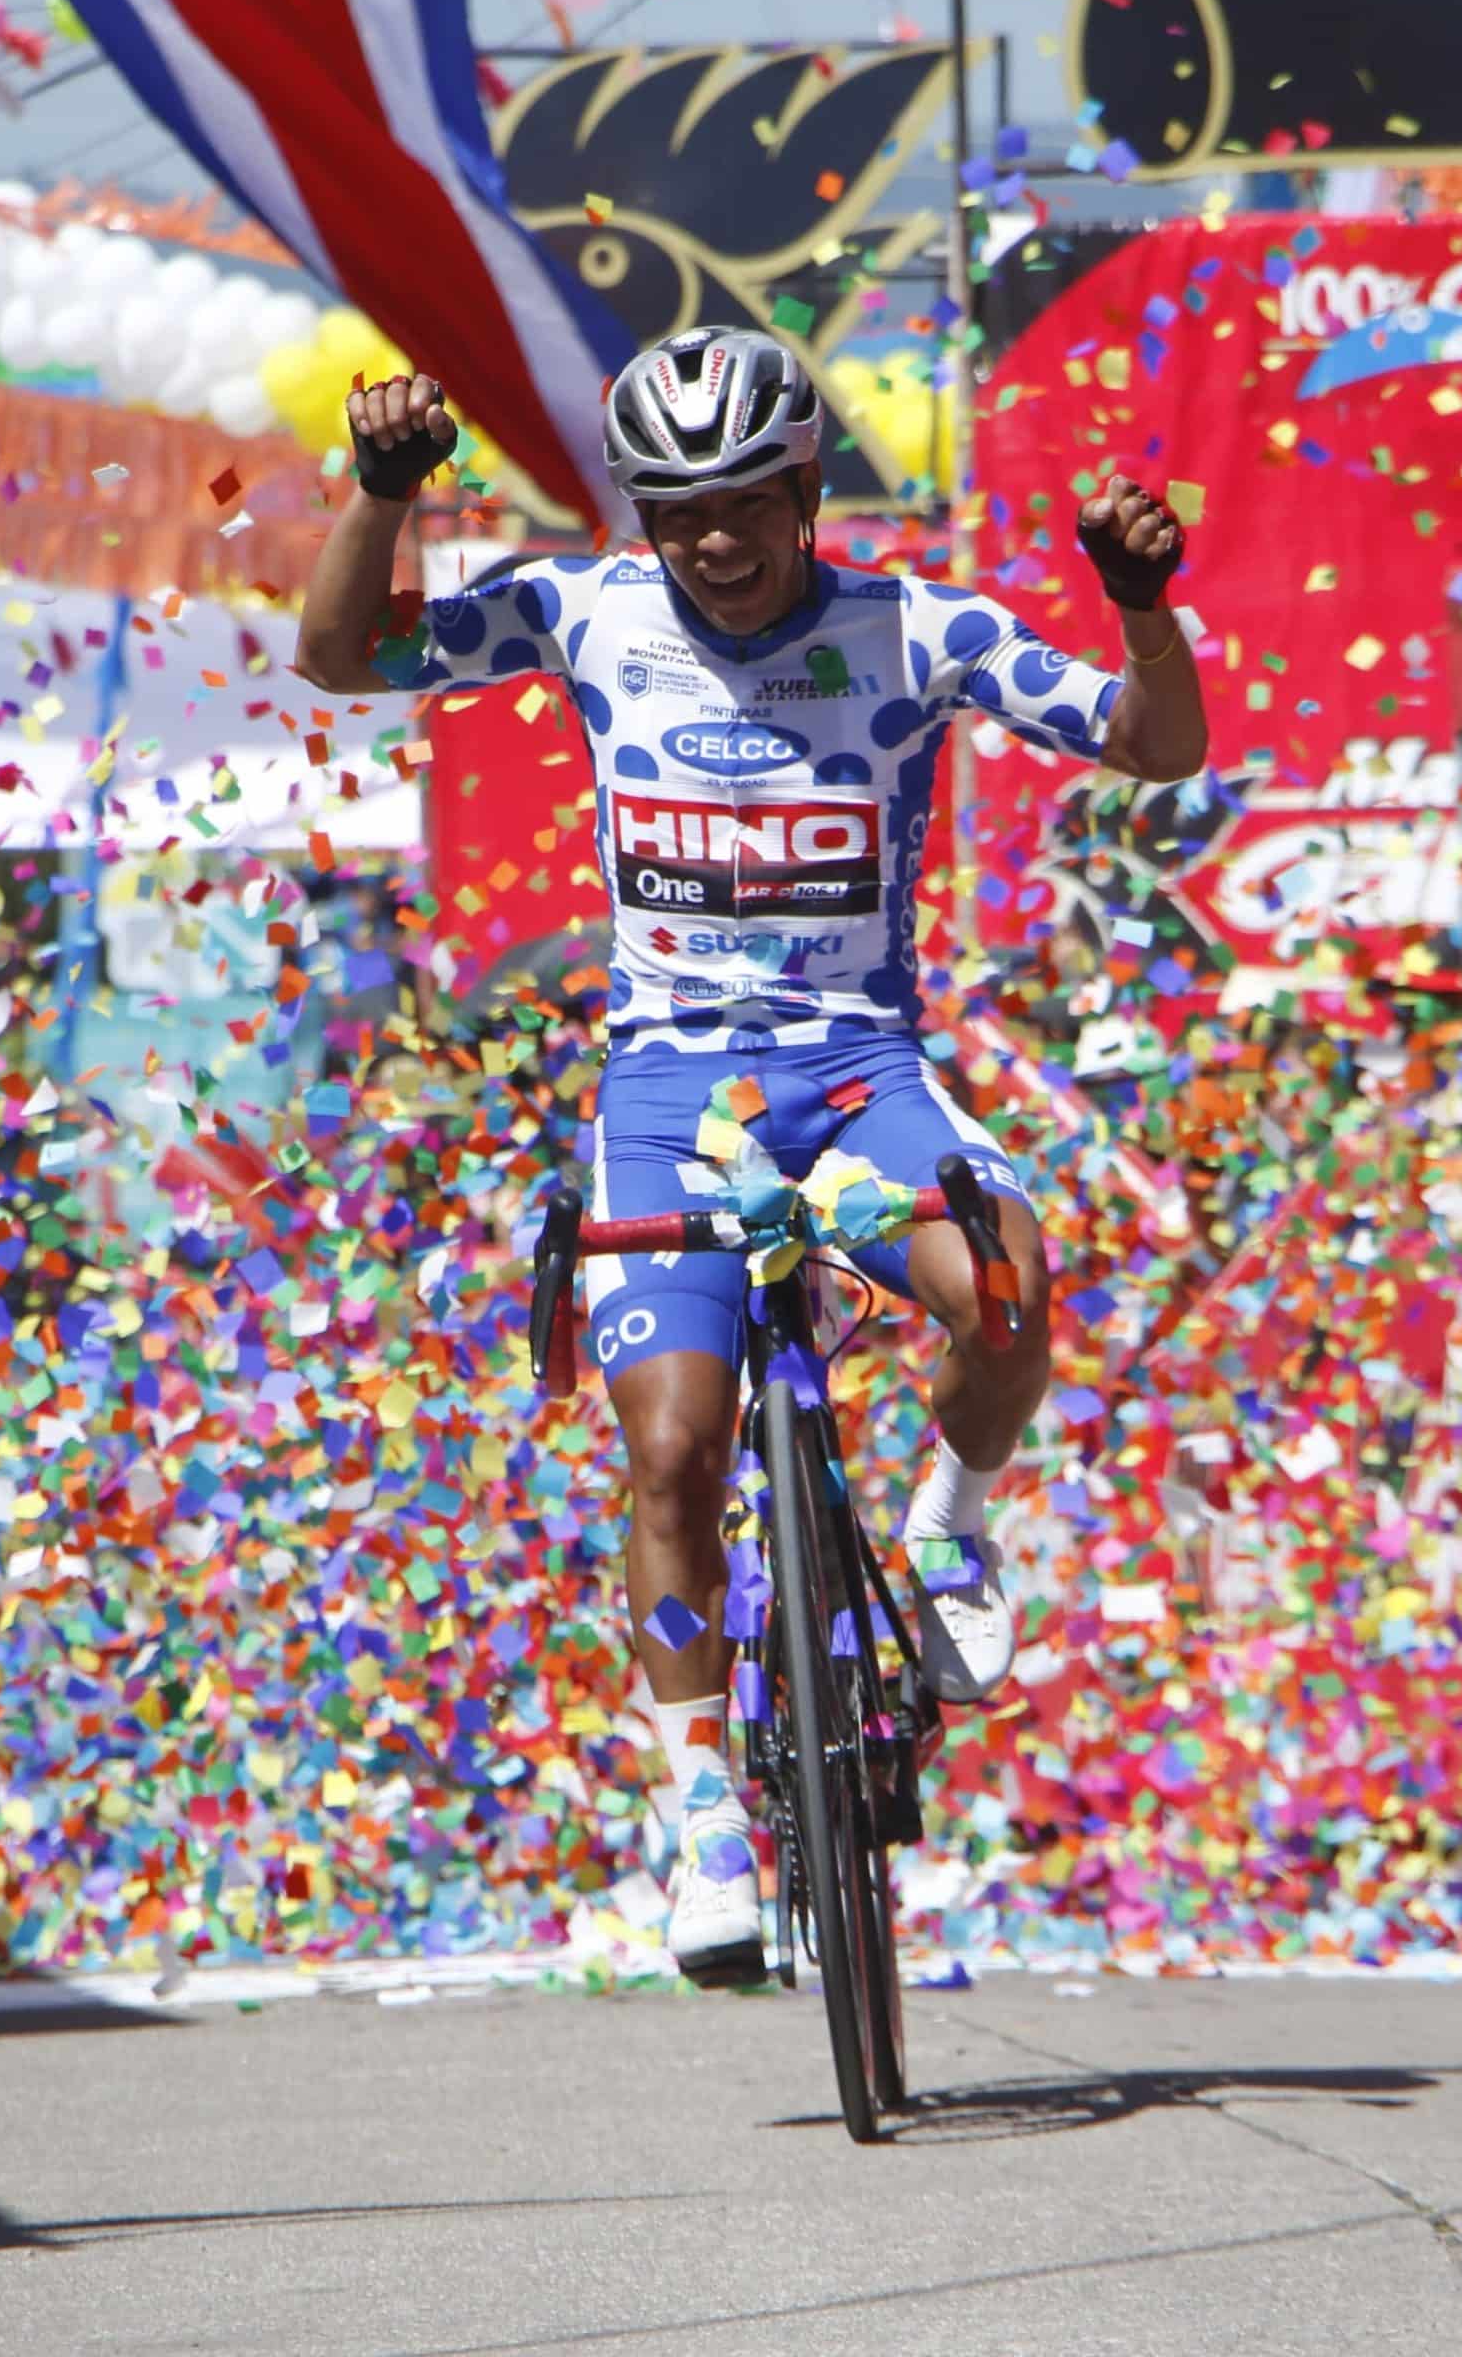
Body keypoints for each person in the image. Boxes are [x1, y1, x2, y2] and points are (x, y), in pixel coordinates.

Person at [292, 328, 1206, 1985]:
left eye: (740, 504)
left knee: (1008, 1289)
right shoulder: (586, 612)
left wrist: (1140, 604)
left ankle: (948, 1523)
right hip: (667, 1095)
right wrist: (383, 495)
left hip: (859, 1079)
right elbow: (346, 655)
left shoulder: (911, 628)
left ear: (806, 491)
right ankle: (704, 1808)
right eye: (674, 508)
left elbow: (1155, 748)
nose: (708, 539)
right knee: (674, 1453)